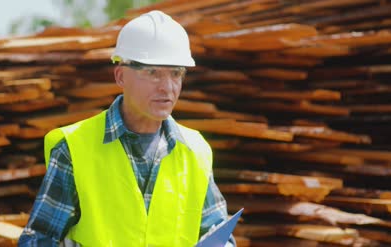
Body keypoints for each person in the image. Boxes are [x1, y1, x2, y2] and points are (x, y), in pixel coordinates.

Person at [18, 10, 235, 247]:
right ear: (120, 76)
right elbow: (39, 240)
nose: (168, 87)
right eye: (152, 73)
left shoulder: (196, 151)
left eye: (176, 73)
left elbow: (218, 235)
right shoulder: (74, 147)